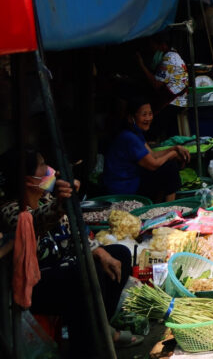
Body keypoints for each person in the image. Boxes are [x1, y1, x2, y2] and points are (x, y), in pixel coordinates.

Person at [0, 148, 140, 353]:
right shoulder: (10, 211)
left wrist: (99, 251)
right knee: (83, 275)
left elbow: (74, 235)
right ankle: (89, 344)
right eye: (42, 165)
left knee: (119, 254)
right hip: (37, 284)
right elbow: (37, 220)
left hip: (66, 268)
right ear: (27, 179)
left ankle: (100, 329)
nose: (49, 169)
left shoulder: (46, 199)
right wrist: (61, 203)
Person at [104, 99, 189, 203]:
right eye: (144, 115)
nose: (148, 118)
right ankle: (169, 206)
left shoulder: (136, 133)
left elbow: (152, 155)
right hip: (125, 188)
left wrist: (174, 148)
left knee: (168, 165)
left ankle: (159, 205)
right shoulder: (129, 137)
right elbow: (153, 164)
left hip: (133, 181)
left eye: (150, 114)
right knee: (170, 167)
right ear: (131, 118)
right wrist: (173, 154)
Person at [136, 30, 189, 140]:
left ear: (163, 45)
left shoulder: (169, 59)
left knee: (151, 134)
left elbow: (156, 84)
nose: (152, 47)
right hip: (177, 101)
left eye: (153, 44)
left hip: (172, 103)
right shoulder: (174, 55)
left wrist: (141, 65)